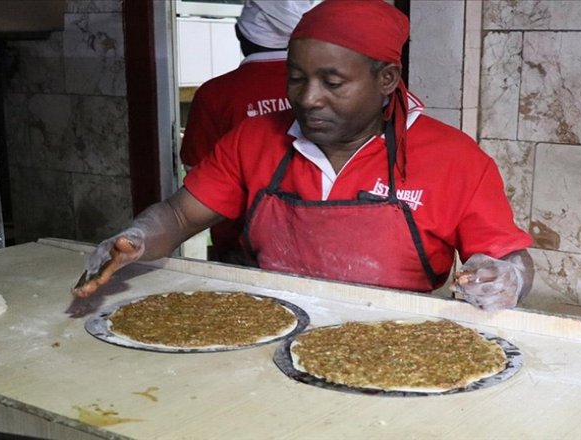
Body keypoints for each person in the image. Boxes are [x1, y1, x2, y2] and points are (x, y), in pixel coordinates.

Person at [73, 0, 534, 312]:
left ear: (388, 79)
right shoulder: (253, 141)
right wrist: (137, 237)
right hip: (261, 323)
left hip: (396, 336)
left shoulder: (455, 159)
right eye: (296, 78)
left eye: (332, 83)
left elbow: (512, 259)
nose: (308, 98)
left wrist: (505, 278)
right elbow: (177, 216)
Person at [180, 0, 313, 263]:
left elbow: (197, 175)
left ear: (240, 34)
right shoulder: (322, 91)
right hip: (311, 244)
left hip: (237, 248)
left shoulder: (215, 94)